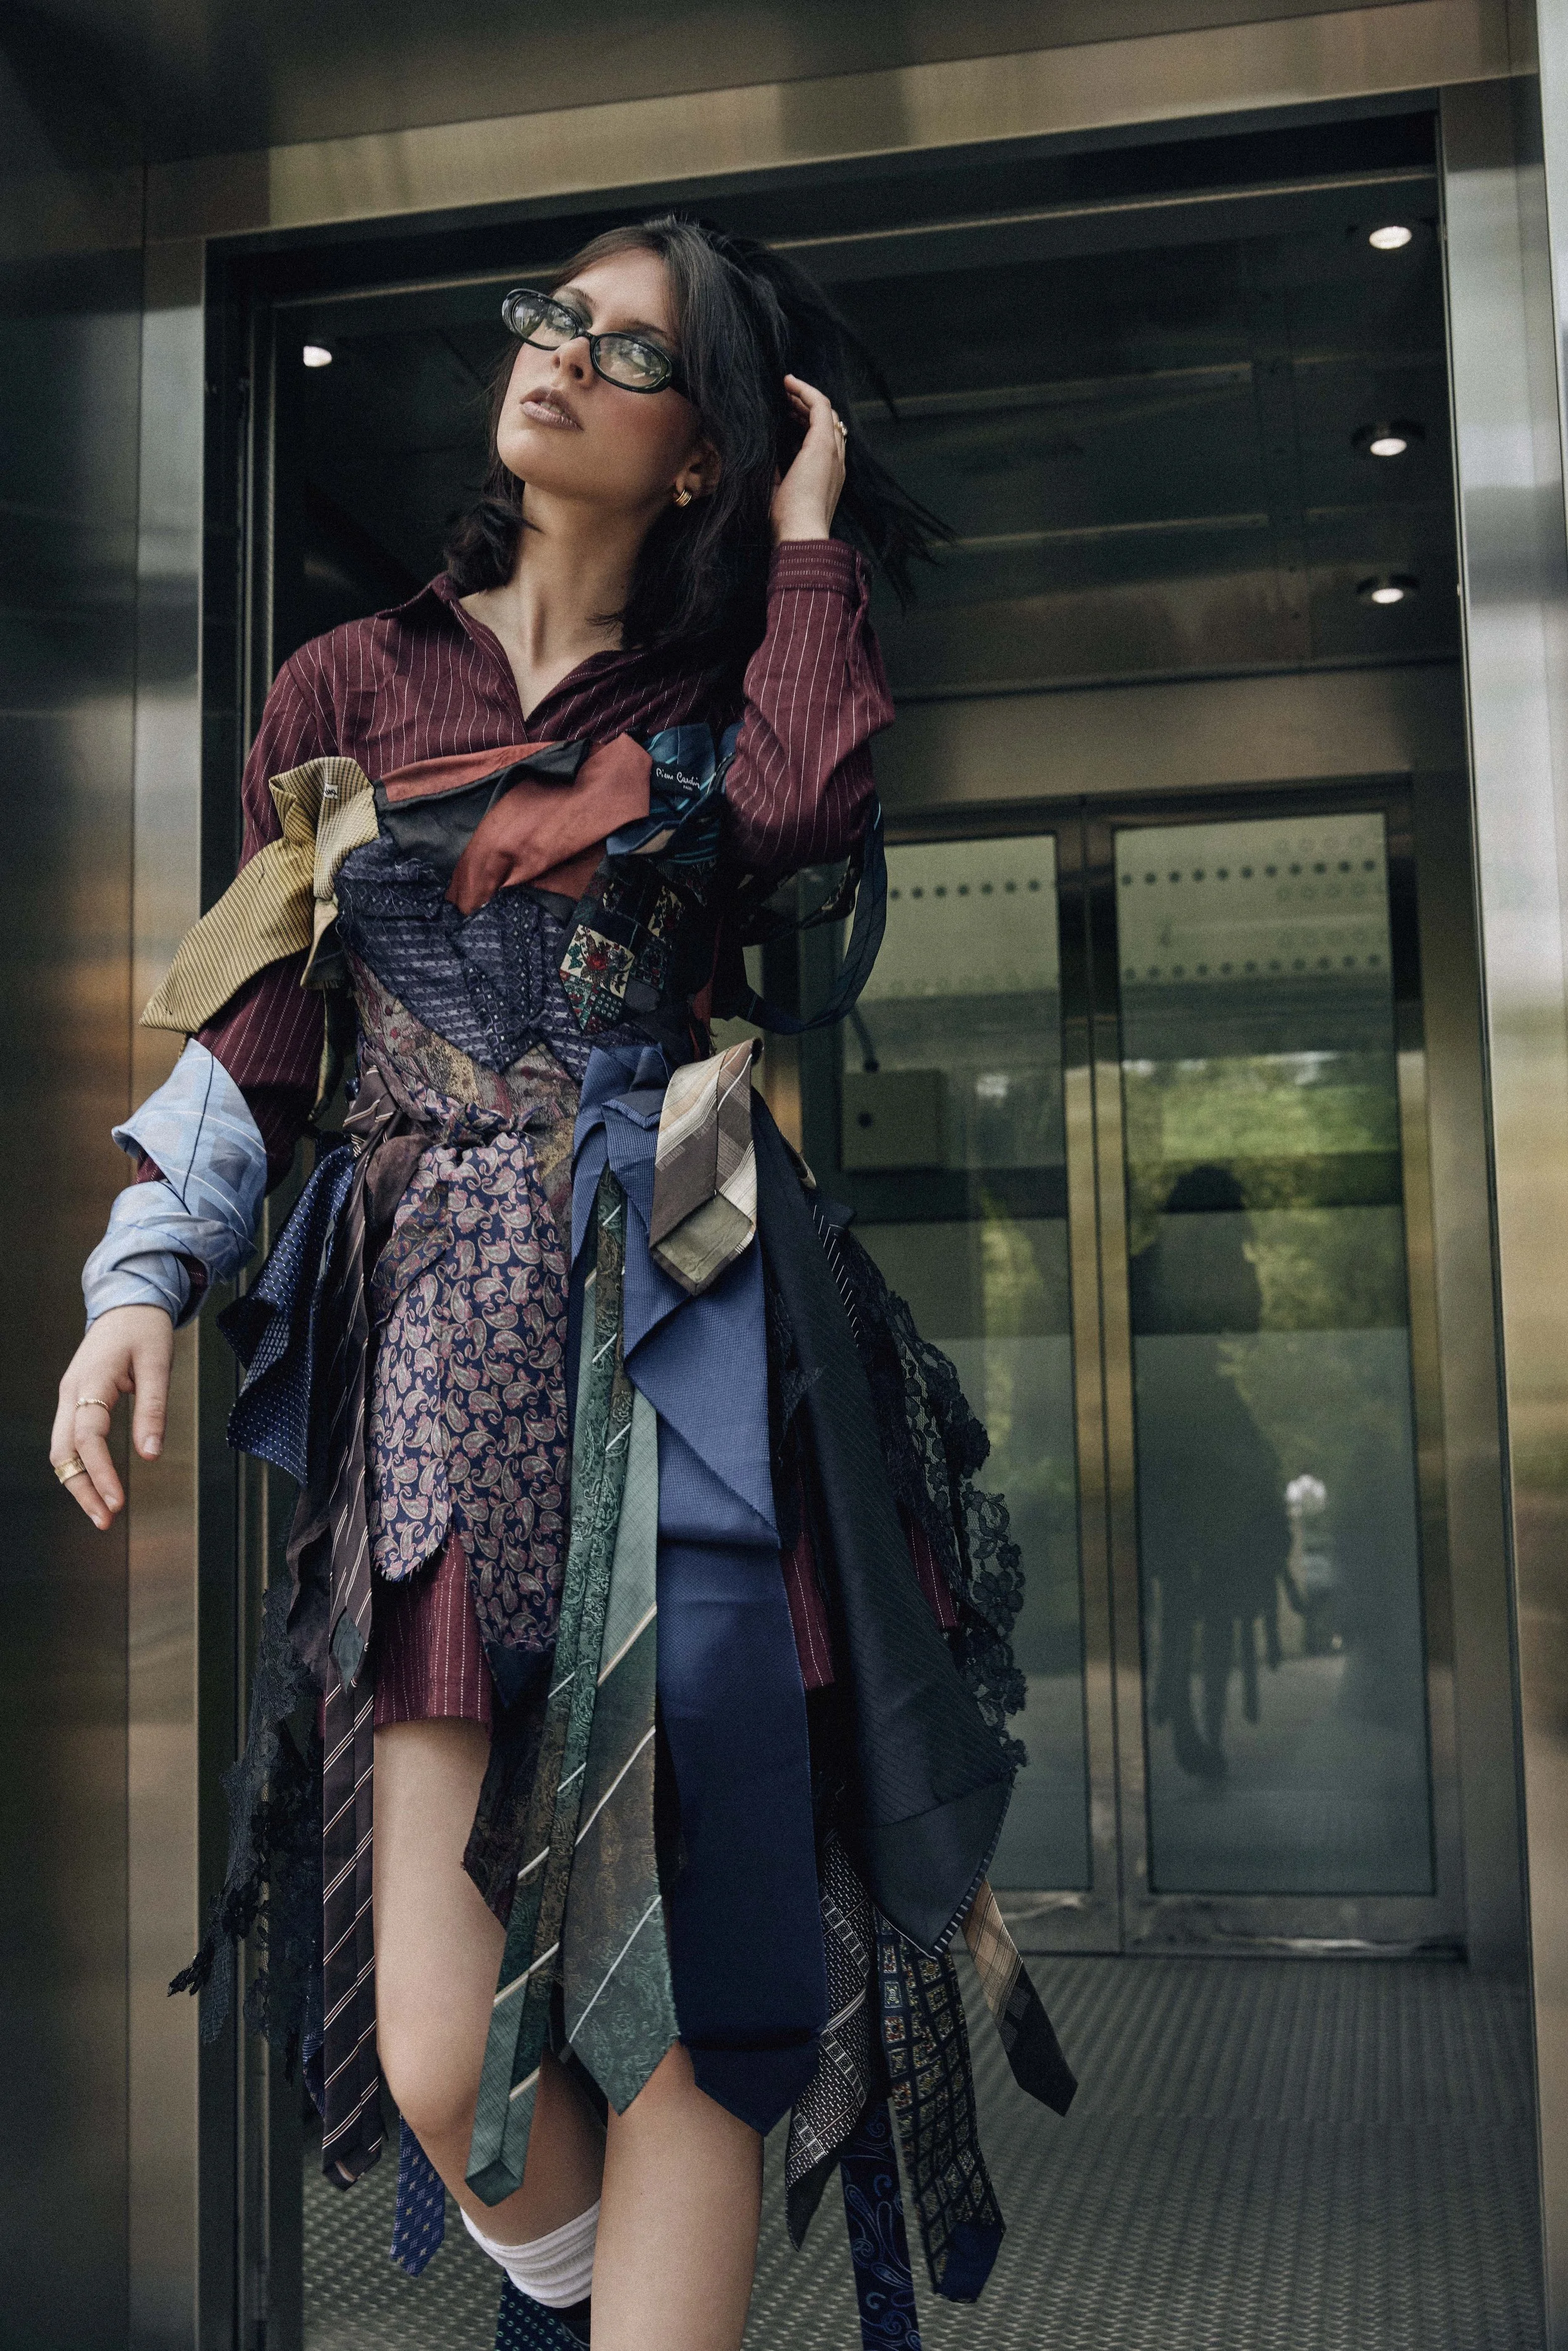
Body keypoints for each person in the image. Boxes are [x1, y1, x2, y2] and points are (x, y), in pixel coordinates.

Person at [53, 215, 1073, 2351]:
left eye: (627, 352)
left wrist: (805, 532)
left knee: (694, 1966)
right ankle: (601, 2301)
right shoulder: (350, 682)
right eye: (549, 321)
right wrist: (140, 1274)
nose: (557, 361)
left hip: (682, 1293)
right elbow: (261, 1016)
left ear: (697, 448)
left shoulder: (720, 692)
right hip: (433, 1345)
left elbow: (798, 809)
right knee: (447, 2057)